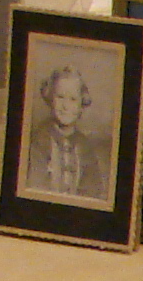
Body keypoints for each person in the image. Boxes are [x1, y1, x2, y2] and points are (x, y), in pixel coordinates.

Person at [23, 61, 110, 202]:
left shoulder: (84, 145)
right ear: (50, 98)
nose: (65, 106)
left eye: (73, 99)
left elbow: (93, 190)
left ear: (81, 105)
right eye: (60, 97)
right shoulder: (39, 140)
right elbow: (34, 186)